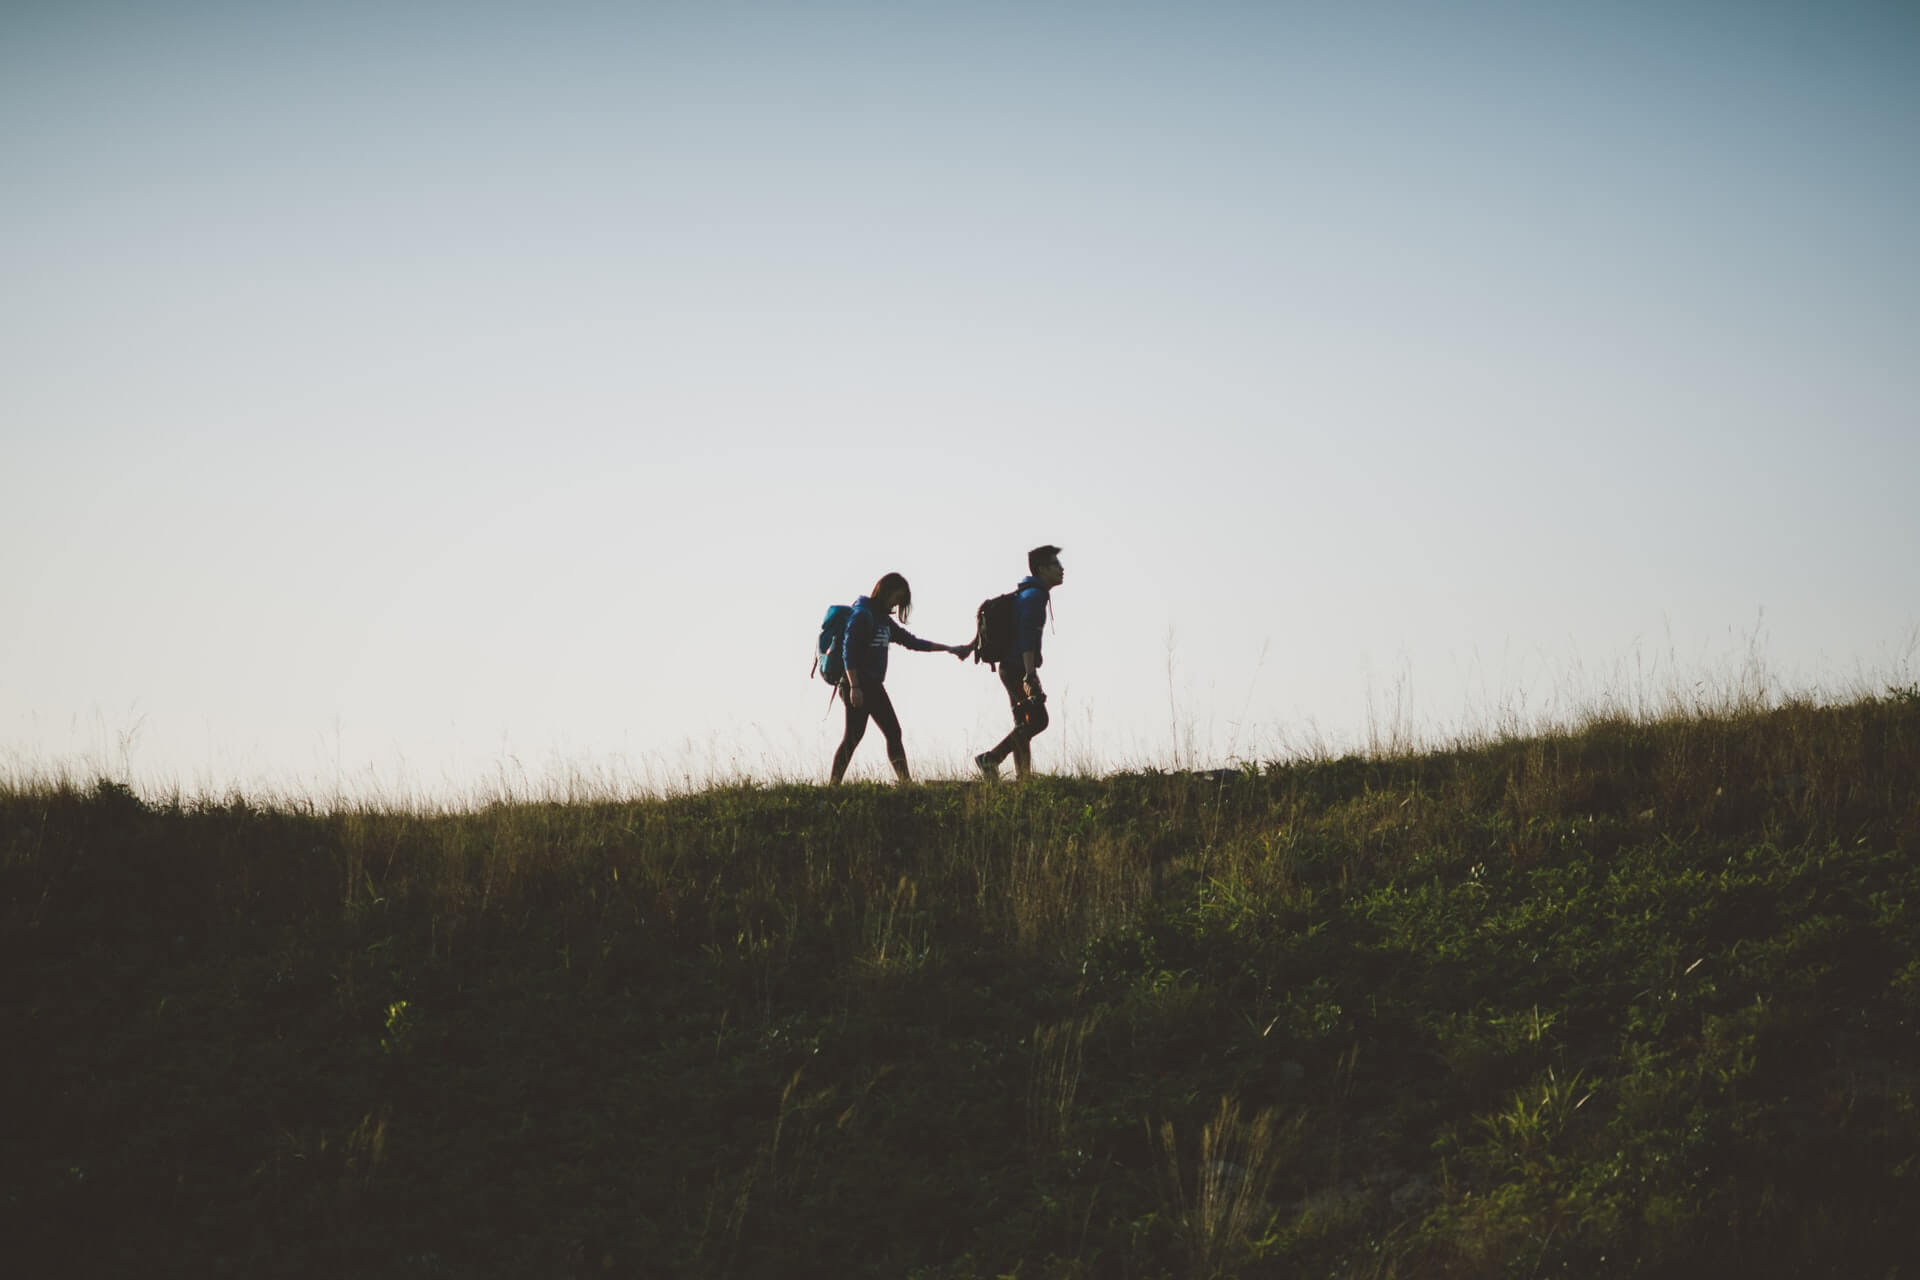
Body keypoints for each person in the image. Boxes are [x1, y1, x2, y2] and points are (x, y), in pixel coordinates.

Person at [832, 572, 971, 785]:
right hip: (857, 684)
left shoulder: (882, 620)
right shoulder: (863, 614)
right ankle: (834, 786)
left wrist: (948, 649)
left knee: (892, 732)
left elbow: (911, 642)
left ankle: (906, 784)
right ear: (886, 591)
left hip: (874, 686)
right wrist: (854, 686)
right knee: (853, 737)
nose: (897, 603)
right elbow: (847, 652)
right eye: (897, 596)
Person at [974, 545, 1064, 781]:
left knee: (1023, 722)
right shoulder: (1034, 597)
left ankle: (1023, 777)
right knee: (1038, 720)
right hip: (1018, 668)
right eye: (1056, 564)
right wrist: (1029, 675)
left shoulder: (1029, 594)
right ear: (1042, 569)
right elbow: (1026, 636)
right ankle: (990, 758)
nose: (1062, 569)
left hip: (1011, 666)